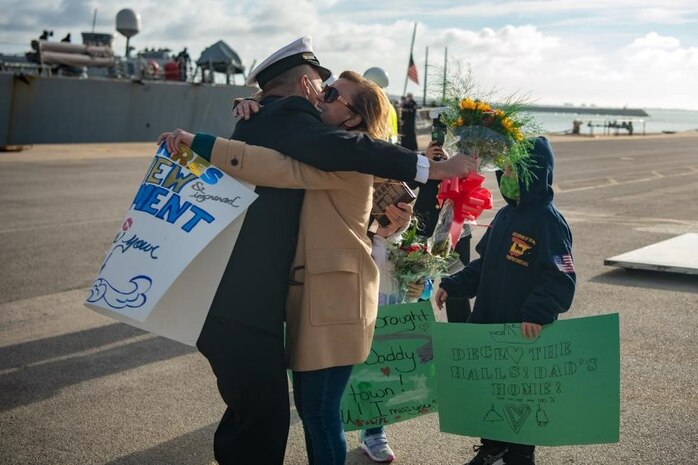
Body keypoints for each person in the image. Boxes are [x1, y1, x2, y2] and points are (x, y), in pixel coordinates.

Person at [161, 36, 476, 465]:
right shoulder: (322, 144)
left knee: (321, 414)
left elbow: (276, 166)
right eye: (319, 87)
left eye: (330, 95)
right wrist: (257, 103)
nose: (317, 96)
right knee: (312, 412)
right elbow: (284, 145)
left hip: (335, 303)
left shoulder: (345, 157)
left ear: (351, 119)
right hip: (316, 302)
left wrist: (201, 141)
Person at [434, 136, 576, 465]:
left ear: (536, 173)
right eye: (506, 168)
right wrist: (454, 284)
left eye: (516, 170)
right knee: (491, 389)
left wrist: (537, 313)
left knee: (520, 393)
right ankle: (493, 445)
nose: (508, 175)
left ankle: (521, 453)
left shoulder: (548, 221)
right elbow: (484, 265)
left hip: (523, 330)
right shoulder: (504, 216)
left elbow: (560, 277)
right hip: (488, 323)